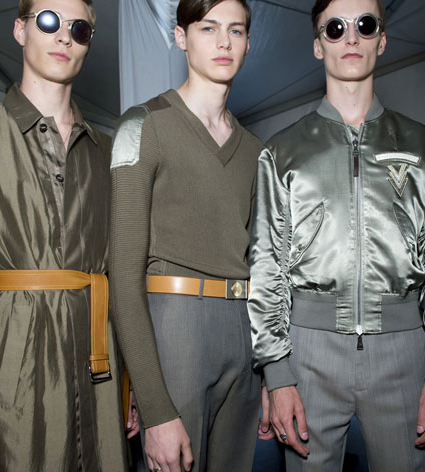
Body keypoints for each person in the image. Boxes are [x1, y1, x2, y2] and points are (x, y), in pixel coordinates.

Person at [248, 0, 425, 469]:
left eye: (365, 25)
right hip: (307, 352)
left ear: (382, 40)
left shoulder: (420, 144)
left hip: (404, 351)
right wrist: (277, 372)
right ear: (318, 44)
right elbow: (267, 267)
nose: (351, 36)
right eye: (335, 27)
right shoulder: (281, 151)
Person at [0, 0, 131, 470]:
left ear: (88, 44)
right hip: (11, 368)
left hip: (99, 370)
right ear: (20, 30)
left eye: (78, 29)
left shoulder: (107, 151)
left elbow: (123, 277)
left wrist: (133, 384)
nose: (63, 36)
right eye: (48, 21)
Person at [109, 0, 261, 471]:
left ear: (248, 43)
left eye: (235, 31)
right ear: (181, 37)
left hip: (244, 334)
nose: (223, 42)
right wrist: (154, 406)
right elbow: (123, 278)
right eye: (208, 28)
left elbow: (264, 263)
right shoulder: (142, 125)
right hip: (175, 330)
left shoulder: (256, 151)